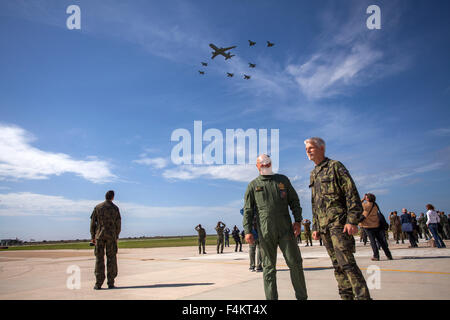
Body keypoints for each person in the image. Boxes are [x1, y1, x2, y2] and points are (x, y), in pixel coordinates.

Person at [305, 137, 371, 300]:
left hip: (339, 224)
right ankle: (346, 297)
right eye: (306, 149)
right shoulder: (313, 173)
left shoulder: (335, 166)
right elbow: (315, 202)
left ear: (321, 148)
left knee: (347, 264)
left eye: (311, 148)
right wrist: (316, 227)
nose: (308, 151)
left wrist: (352, 220)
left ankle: (363, 297)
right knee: (337, 266)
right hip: (324, 227)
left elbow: (351, 193)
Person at [243, 154, 307, 300]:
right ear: (257, 166)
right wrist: (247, 231)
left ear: (271, 164)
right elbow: (247, 210)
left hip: (286, 229)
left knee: (295, 263)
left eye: (268, 163)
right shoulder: (253, 185)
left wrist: (297, 221)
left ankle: (302, 297)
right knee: (268, 268)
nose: (265, 166)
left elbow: (294, 201)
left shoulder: (282, 180)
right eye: (262, 164)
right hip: (265, 231)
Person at [90, 190, 121, 290]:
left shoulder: (98, 207)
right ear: (112, 197)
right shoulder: (115, 208)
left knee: (99, 259)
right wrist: (116, 235)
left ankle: (98, 283)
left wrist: (93, 236)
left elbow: (92, 223)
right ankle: (110, 283)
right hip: (111, 236)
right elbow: (118, 225)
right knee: (111, 258)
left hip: (100, 236)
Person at [359, 193, 393, 261]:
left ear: (368, 198)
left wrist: (362, 199)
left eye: (366, 197)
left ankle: (376, 256)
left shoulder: (365, 205)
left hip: (368, 225)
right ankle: (389, 255)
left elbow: (357, 204)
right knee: (381, 241)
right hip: (376, 224)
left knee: (372, 241)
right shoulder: (375, 205)